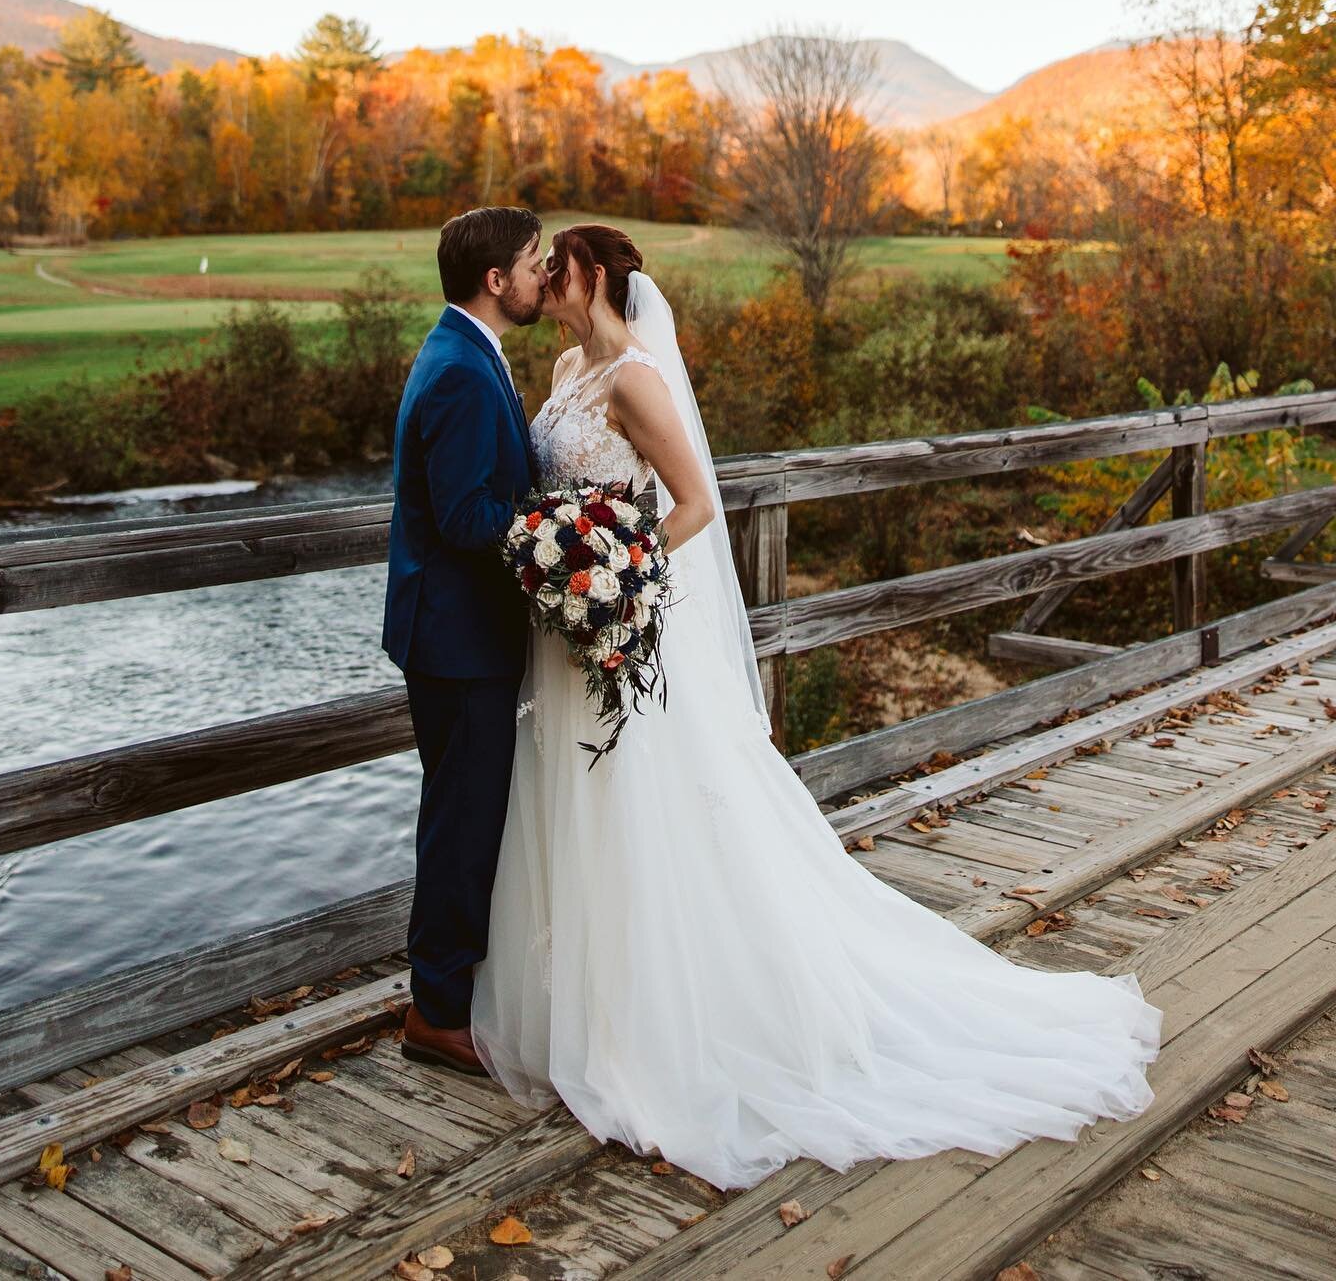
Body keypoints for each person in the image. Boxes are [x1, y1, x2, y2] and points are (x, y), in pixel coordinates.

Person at [469, 222, 1163, 1191]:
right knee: (578, 799)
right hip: (568, 632)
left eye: (555, 262)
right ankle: (595, 1004)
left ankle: (674, 1017)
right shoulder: (559, 370)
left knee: (644, 796)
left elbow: (695, 502)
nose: (541, 273)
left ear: (591, 275)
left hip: (622, 618)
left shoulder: (635, 376)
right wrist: (568, 565)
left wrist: (620, 574)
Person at [382, 205, 548, 1075]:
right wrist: (560, 530)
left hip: (460, 634)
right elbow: (461, 515)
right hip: (456, 639)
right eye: (531, 261)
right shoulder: (457, 369)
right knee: (460, 821)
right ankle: (437, 1012)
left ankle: (443, 990)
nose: (541, 274)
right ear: (496, 280)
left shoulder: (466, 352)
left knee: (463, 814)